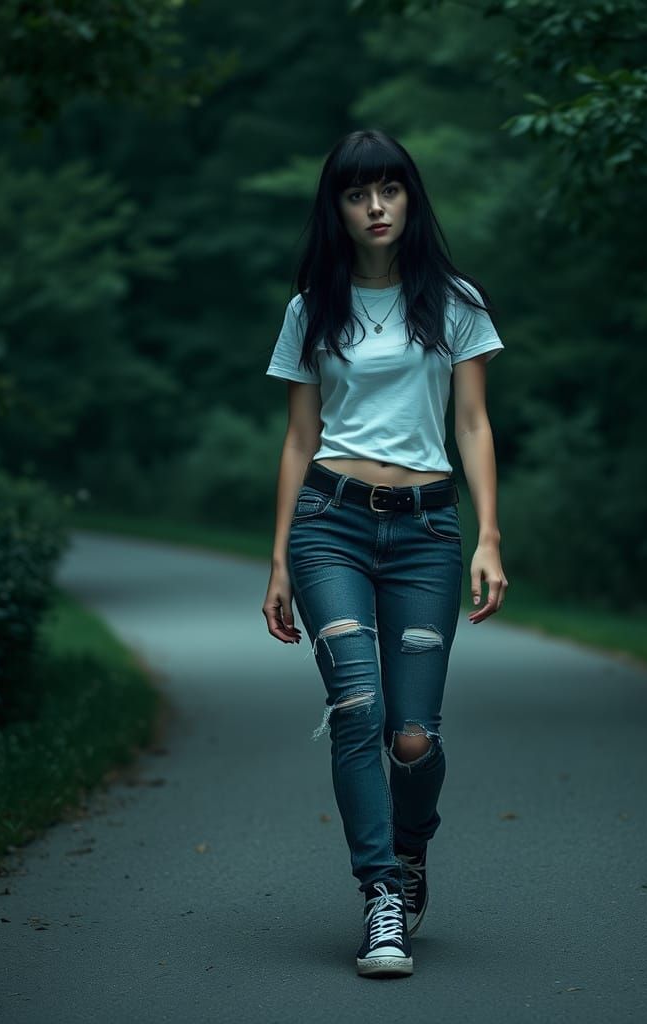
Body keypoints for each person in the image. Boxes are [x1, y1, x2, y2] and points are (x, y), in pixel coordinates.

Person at [261, 129, 507, 978]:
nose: (375, 207)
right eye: (357, 193)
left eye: (390, 190)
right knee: (357, 709)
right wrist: (279, 560)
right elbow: (299, 439)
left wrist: (489, 537)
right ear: (336, 207)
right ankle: (381, 895)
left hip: (428, 533)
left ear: (410, 198)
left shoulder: (454, 301)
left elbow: (471, 423)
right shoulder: (311, 309)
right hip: (328, 522)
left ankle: (410, 845)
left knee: (411, 738)